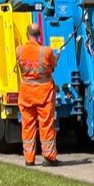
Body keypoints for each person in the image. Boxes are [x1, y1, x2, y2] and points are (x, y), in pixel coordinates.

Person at [16, 24, 58, 166]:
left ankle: (29, 158)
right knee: (45, 124)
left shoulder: (19, 50)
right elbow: (53, 65)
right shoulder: (47, 51)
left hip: (27, 93)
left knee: (28, 125)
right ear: (39, 34)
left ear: (27, 33)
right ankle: (48, 157)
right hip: (43, 94)